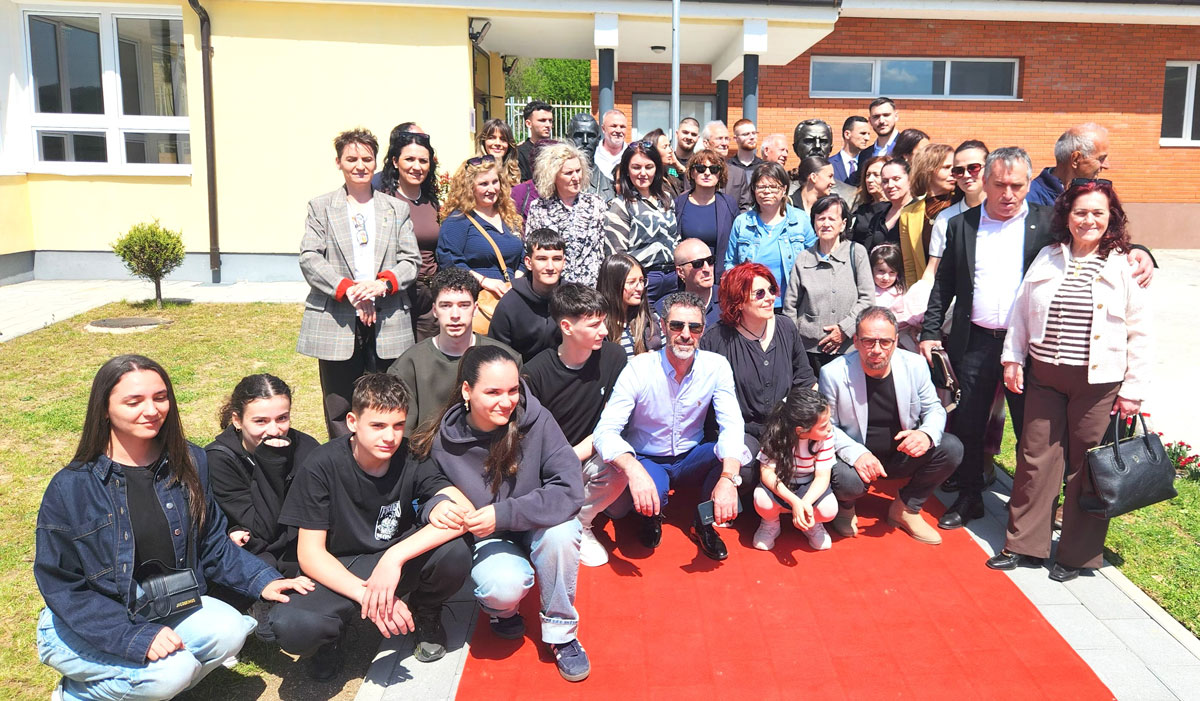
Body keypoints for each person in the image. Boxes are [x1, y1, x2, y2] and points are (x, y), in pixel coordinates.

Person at [35, 355, 313, 700]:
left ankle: (154, 683)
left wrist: (262, 580)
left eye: (160, 397)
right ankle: (77, 694)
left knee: (230, 631)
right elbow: (62, 586)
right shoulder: (71, 486)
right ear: (104, 409)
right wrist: (132, 637)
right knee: (172, 672)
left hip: (161, 603)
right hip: (86, 621)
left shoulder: (189, 462)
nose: (152, 410)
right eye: (134, 401)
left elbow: (212, 543)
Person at [920, 147, 1154, 530]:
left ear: (1029, 184)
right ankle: (970, 494)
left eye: (1017, 185)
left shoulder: (1047, 223)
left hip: (1030, 348)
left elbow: (1095, 239)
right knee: (969, 423)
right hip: (975, 341)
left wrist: (1140, 253)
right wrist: (931, 331)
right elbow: (944, 285)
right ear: (985, 183)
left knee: (1035, 431)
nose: (1008, 194)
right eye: (1000, 185)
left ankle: (1040, 505)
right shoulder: (961, 225)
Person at [989, 180, 1149, 582]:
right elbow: (1021, 313)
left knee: (1087, 467)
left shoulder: (1122, 265)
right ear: (1067, 216)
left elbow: (1139, 331)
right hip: (1045, 377)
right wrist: (1013, 358)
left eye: (1098, 212)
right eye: (1081, 212)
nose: (1088, 220)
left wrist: (1133, 390)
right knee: (1035, 460)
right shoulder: (1048, 257)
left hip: (1098, 384)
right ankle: (1024, 545)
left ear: (1111, 217)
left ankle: (1077, 555)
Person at [270, 373, 471, 680]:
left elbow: (466, 512)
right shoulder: (321, 464)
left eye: (398, 425)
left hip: (394, 558)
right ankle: (331, 637)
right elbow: (310, 555)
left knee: (455, 552)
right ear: (353, 422)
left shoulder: (411, 455)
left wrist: (394, 558)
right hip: (340, 564)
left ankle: (426, 610)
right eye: (378, 425)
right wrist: (369, 596)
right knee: (293, 627)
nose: (390, 436)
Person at [412, 345, 591, 682]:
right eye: (493, 392)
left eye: (512, 390)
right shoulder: (442, 441)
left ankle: (561, 633)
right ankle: (501, 610)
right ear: (467, 391)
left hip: (538, 522)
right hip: (488, 538)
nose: (506, 401)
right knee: (502, 586)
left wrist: (504, 513)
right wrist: (436, 506)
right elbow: (421, 491)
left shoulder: (538, 421)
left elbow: (569, 489)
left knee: (563, 534)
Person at [594, 292, 753, 561]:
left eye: (695, 327)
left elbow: (732, 424)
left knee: (738, 456)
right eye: (677, 325)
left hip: (691, 455)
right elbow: (605, 430)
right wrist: (634, 470)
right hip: (647, 457)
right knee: (648, 497)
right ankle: (651, 516)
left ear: (703, 330)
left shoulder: (716, 366)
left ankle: (702, 524)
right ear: (663, 326)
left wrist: (729, 478)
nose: (685, 335)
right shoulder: (639, 368)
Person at [299, 128, 420, 438]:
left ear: (376, 162)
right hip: (338, 318)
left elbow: (411, 261)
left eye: (367, 159)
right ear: (338, 162)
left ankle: (385, 453)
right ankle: (345, 458)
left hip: (388, 318)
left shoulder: (396, 209)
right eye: (351, 159)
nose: (360, 166)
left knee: (389, 398)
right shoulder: (321, 207)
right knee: (340, 404)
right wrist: (349, 290)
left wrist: (382, 285)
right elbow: (310, 258)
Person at [821, 308, 963, 543]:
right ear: (856, 341)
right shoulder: (833, 373)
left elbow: (934, 409)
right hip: (856, 458)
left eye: (885, 342)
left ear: (896, 341)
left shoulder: (915, 365)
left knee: (951, 448)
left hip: (901, 453)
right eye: (868, 341)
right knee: (846, 480)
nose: (877, 350)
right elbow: (828, 426)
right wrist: (857, 454)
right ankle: (845, 506)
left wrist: (925, 434)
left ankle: (906, 508)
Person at [523, 283, 629, 567]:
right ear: (567, 327)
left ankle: (581, 521)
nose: (604, 331)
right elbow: (530, 439)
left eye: (603, 321)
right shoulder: (535, 373)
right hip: (548, 468)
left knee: (619, 477)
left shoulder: (614, 357)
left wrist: (574, 456)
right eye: (594, 325)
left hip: (589, 456)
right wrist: (560, 464)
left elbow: (614, 423)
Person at [700, 263, 818, 497]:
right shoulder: (716, 339)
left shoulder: (785, 327)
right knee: (744, 470)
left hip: (785, 426)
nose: (770, 298)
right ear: (738, 301)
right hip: (741, 430)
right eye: (760, 293)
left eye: (772, 290)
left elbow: (806, 381)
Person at [208, 374, 321, 586]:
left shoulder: (306, 448)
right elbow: (263, 529)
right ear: (237, 420)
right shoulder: (220, 460)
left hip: (301, 545)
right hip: (258, 554)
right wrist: (271, 461)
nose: (274, 431)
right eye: (260, 421)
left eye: (282, 418)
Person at [388, 267, 520, 433]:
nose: (455, 315)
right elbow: (401, 431)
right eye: (446, 305)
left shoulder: (506, 360)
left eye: (464, 305)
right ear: (434, 310)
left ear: (475, 308)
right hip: (427, 448)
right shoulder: (409, 366)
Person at [783, 195, 874, 374]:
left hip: (848, 348)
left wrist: (844, 329)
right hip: (809, 349)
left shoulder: (857, 253)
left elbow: (867, 299)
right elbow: (790, 306)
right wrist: (794, 345)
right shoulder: (804, 258)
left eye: (832, 219)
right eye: (821, 218)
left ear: (843, 224)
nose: (826, 224)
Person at [750, 387, 838, 551]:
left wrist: (805, 505)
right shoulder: (776, 434)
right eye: (823, 426)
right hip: (782, 483)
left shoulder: (826, 438)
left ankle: (812, 523)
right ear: (801, 430)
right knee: (762, 500)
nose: (829, 428)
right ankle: (770, 523)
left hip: (808, 485)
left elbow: (822, 476)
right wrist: (794, 502)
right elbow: (767, 472)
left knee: (829, 509)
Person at [377, 130, 441, 341]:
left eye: (423, 161)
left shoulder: (432, 202)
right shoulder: (383, 201)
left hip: (429, 295)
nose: (417, 166)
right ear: (395, 161)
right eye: (410, 159)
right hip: (397, 293)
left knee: (427, 355)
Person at [436, 154, 525, 304]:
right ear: (469, 187)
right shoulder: (458, 220)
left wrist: (517, 280)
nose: (492, 189)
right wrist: (484, 281)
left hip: (511, 298)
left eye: (495, 182)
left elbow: (523, 255)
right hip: (478, 300)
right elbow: (449, 262)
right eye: (484, 184)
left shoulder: (509, 217)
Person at [725, 162, 815, 306]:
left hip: (791, 303)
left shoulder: (800, 219)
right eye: (761, 187)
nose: (767, 191)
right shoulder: (742, 222)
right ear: (753, 189)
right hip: (752, 303)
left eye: (773, 187)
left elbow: (814, 257)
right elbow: (731, 262)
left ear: (784, 189)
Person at [603, 140, 680, 305]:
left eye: (649, 167)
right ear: (627, 170)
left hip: (672, 279)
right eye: (636, 167)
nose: (643, 173)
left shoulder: (667, 200)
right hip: (641, 282)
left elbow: (676, 239)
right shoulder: (620, 205)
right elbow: (617, 256)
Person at [525, 142, 608, 286]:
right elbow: (533, 250)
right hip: (554, 288)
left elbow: (602, 249)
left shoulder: (596, 204)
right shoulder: (539, 208)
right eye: (568, 173)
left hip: (591, 288)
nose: (576, 177)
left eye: (578, 171)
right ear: (554, 176)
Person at [489, 228, 565, 362]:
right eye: (542, 259)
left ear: (564, 262)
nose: (550, 267)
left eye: (556, 259)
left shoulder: (574, 299)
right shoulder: (510, 304)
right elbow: (497, 354)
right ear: (529, 263)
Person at [923, 140, 989, 284]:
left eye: (973, 168)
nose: (966, 175)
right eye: (959, 170)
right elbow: (933, 269)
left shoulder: (1007, 213)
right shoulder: (945, 218)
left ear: (989, 168)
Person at [897, 143, 956, 286]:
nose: (953, 172)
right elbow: (910, 265)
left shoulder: (962, 204)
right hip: (927, 289)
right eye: (946, 167)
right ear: (927, 170)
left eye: (954, 167)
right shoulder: (908, 214)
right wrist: (914, 293)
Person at [673, 149, 739, 275]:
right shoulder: (679, 203)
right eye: (700, 168)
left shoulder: (729, 204)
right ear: (692, 173)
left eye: (714, 169)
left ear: (720, 174)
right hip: (688, 276)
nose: (707, 173)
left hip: (720, 276)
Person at [1027, 123, 1111, 207]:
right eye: (1101, 158)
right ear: (1075, 159)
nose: (1107, 166)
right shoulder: (1030, 202)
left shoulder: (1097, 197)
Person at [598, 252, 663, 357]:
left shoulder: (651, 321)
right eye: (631, 282)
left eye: (641, 281)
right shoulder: (597, 327)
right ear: (613, 285)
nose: (640, 288)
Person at [790, 120, 859, 205]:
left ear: (830, 148)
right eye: (809, 141)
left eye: (823, 142)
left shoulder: (850, 195)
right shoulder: (781, 191)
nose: (817, 146)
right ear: (795, 148)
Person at [869, 243, 924, 351]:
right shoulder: (868, 293)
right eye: (881, 271)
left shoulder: (901, 293)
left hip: (903, 338)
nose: (886, 277)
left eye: (892, 272)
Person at [668, 237, 721, 327]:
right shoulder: (667, 309)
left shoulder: (731, 302)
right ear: (681, 272)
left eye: (710, 260)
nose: (707, 269)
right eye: (698, 264)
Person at [862, 158, 913, 252]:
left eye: (896, 179)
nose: (890, 185)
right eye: (885, 181)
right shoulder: (878, 217)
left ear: (910, 179)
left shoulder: (919, 212)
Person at [700, 120, 752, 209]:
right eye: (719, 139)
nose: (724, 143)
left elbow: (745, 205)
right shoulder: (697, 170)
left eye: (727, 139)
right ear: (706, 143)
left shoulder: (738, 173)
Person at [850, 97, 900, 183]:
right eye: (876, 117)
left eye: (886, 115)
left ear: (896, 116)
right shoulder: (864, 155)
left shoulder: (908, 148)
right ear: (870, 121)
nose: (881, 121)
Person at [848, 155, 890, 243]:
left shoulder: (895, 210)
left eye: (876, 175)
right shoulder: (861, 211)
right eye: (867, 175)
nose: (869, 180)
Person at [477, 118, 523, 185]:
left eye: (503, 139)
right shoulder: (472, 170)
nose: (498, 143)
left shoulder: (516, 171)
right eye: (491, 138)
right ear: (483, 141)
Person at [516, 100, 554, 182]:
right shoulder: (519, 154)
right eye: (542, 120)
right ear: (528, 123)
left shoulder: (558, 150)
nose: (548, 125)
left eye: (550, 121)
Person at [643, 127, 684, 196]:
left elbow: (689, 185)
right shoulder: (650, 180)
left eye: (669, 146)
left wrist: (677, 164)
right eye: (665, 147)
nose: (670, 150)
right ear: (653, 150)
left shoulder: (668, 176)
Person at [833, 116, 872, 184]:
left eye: (868, 134)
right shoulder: (829, 164)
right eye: (863, 133)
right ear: (847, 134)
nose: (867, 138)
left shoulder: (870, 163)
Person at [593, 109, 628, 181]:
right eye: (614, 126)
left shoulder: (631, 154)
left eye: (622, 127)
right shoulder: (593, 153)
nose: (618, 130)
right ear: (603, 129)